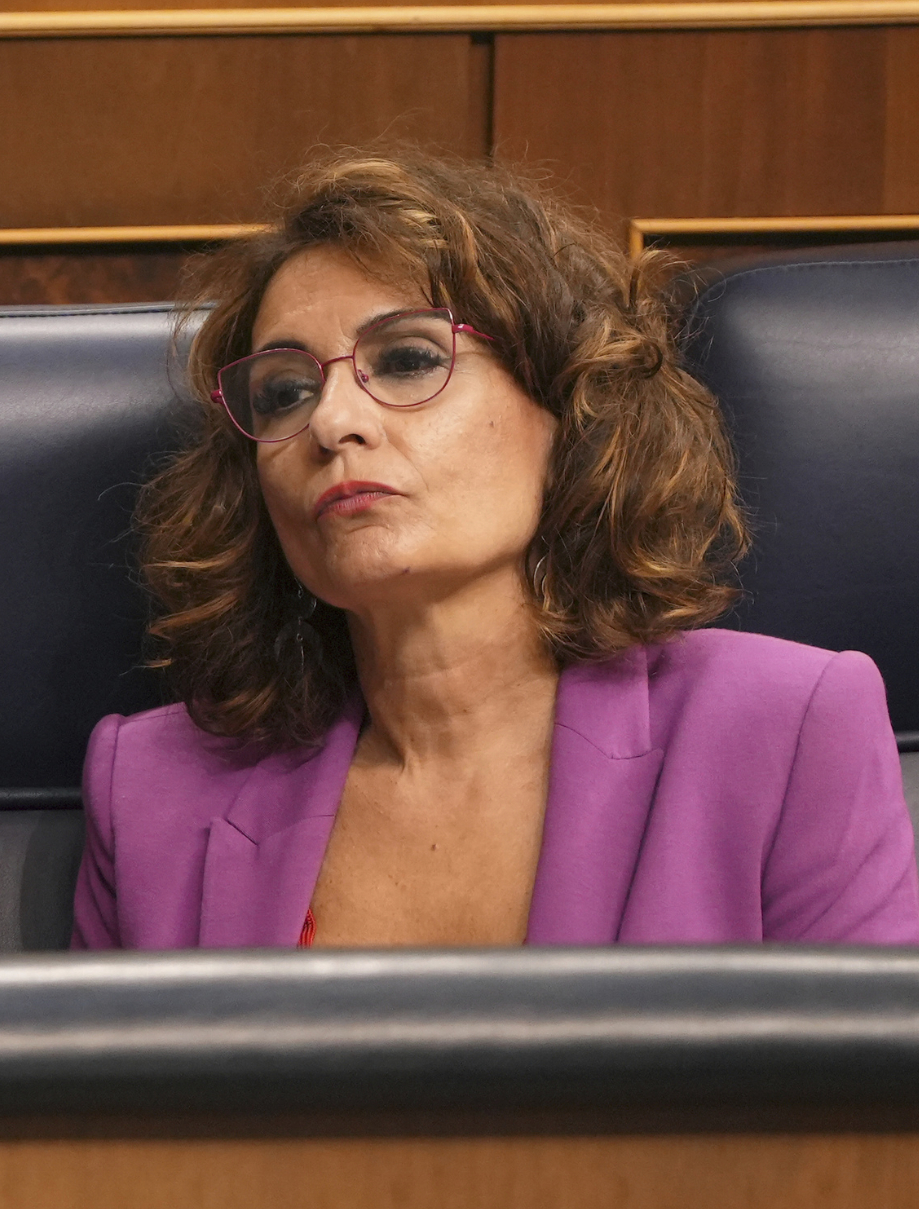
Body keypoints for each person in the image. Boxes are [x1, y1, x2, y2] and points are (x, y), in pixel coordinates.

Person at [73, 149, 919, 950]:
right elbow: (105, 1112)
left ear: (569, 406)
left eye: (405, 360)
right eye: (285, 391)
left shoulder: (785, 728)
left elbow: (869, 1100)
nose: (331, 422)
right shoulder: (149, 791)